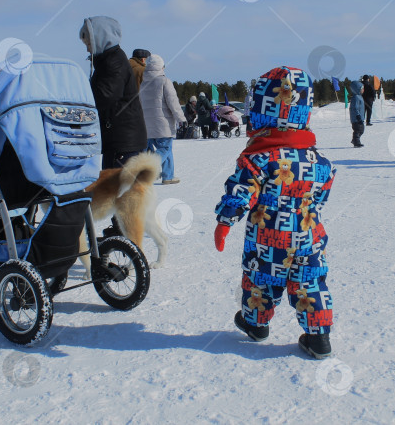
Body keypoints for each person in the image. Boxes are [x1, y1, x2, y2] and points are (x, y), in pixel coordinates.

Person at [213, 66, 336, 359]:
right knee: (309, 281)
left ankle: (256, 324)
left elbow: (241, 192)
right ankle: (318, 337)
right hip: (309, 234)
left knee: (261, 280)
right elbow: (323, 192)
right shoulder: (316, 158)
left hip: (268, 238)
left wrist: (224, 221)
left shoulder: (259, 158)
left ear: (261, 110)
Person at [80, 16, 147, 236]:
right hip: (118, 135)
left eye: (88, 40)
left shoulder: (113, 61)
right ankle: (120, 230)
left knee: (122, 189)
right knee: (117, 186)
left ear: (99, 37)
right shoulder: (107, 59)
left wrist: (80, 100)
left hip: (123, 138)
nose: (87, 46)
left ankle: (124, 235)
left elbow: (104, 96)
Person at [138, 54, 186, 184]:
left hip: (147, 125)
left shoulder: (143, 83)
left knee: (166, 150)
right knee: (165, 148)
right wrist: (181, 118)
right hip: (163, 124)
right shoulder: (164, 81)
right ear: (160, 67)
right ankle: (151, 165)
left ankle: (168, 176)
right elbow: (173, 102)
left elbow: (140, 104)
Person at [349, 80, 365, 147]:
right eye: (362, 89)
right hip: (356, 118)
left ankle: (355, 140)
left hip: (359, 117)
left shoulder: (359, 96)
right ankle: (356, 142)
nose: (363, 90)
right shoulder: (355, 98)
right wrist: (358, 116)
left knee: (361, 130)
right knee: (358, 130)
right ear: (357, 89)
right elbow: (355, 108)